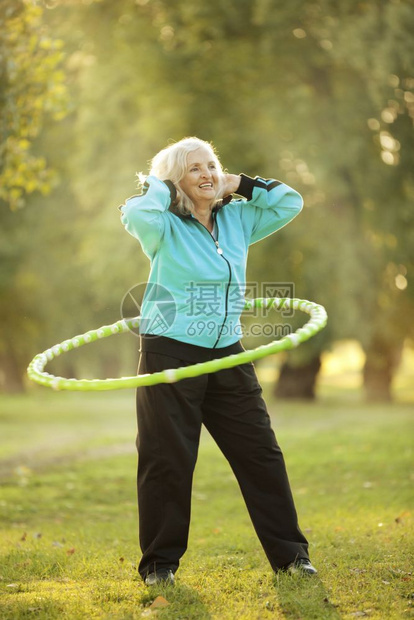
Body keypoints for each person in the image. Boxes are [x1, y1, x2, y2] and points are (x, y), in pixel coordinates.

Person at [119, 137, 317, 586]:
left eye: (212, 165)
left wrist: (240, 182)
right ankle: (159, 567)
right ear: (176, 183)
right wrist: (163, 190)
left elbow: (290, 202)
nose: (207, 174)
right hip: (170, 349)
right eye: (194, 169)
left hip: (228, 351)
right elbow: (135, 214)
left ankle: (292, 557)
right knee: (167, 458)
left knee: (261, 453)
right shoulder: (163, 224)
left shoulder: (238, 218)